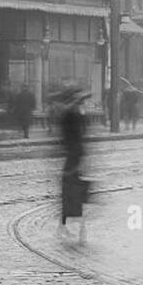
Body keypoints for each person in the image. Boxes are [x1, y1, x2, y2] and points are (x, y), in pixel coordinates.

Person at [58, 86, 90, 241]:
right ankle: (73, 227)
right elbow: (76, 136)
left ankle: (69, 226)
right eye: (80, 100)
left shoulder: (71, 113)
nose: (82, 103)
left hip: (74, 156)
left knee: (72, 192)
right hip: (74, 157)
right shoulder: (71, 115)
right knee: (74, 192)